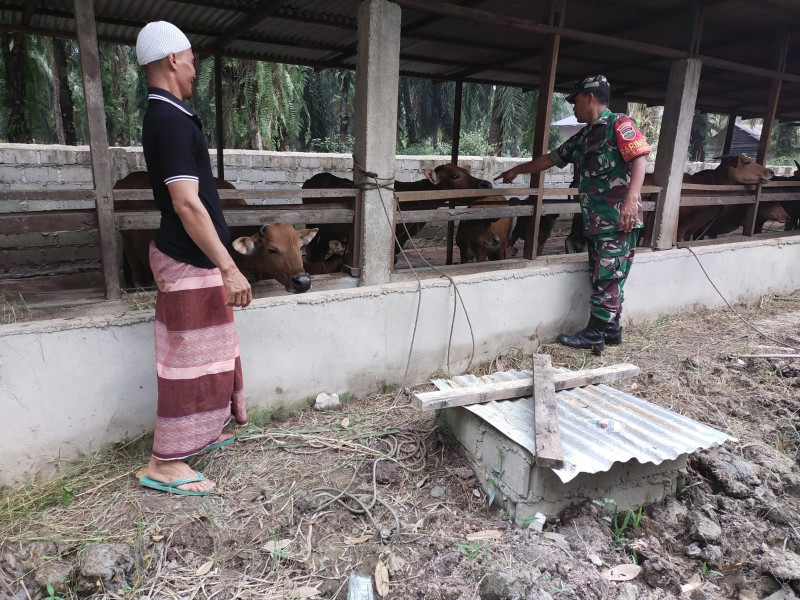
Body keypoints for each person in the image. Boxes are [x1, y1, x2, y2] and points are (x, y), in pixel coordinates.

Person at [135, 21, 252, 495]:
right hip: (186, 259)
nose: (194, 70)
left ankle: (203, 432)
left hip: (197, 260)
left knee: (213, 353)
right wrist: (230, 266)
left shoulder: (172, 115)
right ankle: (164, 462)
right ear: (172, 60)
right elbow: (186, 204)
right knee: (186, 362)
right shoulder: (169, 120)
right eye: (191, 60)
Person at [496, 75, 650, 351]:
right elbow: (551, 158)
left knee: (608, 275)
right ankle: (611, 329)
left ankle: (595, 333)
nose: (573, 107)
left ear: (590, 97)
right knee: (607, 274)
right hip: (597, 221)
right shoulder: (585, 136)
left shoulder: (619, 124)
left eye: (576, 101)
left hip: (617, 218)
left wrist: (630, 200)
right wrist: (517, 170)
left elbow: (639, 157)